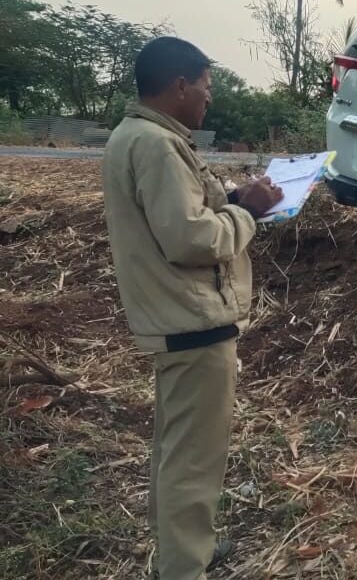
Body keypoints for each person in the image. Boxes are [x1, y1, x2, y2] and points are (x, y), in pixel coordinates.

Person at [101, 36, 282, 579]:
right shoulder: (156, 145)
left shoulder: (137, 136)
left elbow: (183, 212)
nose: (209, 99)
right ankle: (184, 567)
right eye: (204, 88)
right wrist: (248, 213)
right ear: (179, 86)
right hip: (192, 318)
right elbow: (189, 238)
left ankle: (187, 549)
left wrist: (230, 198)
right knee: (194, 459)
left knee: (175, 444)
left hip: (173, 316)